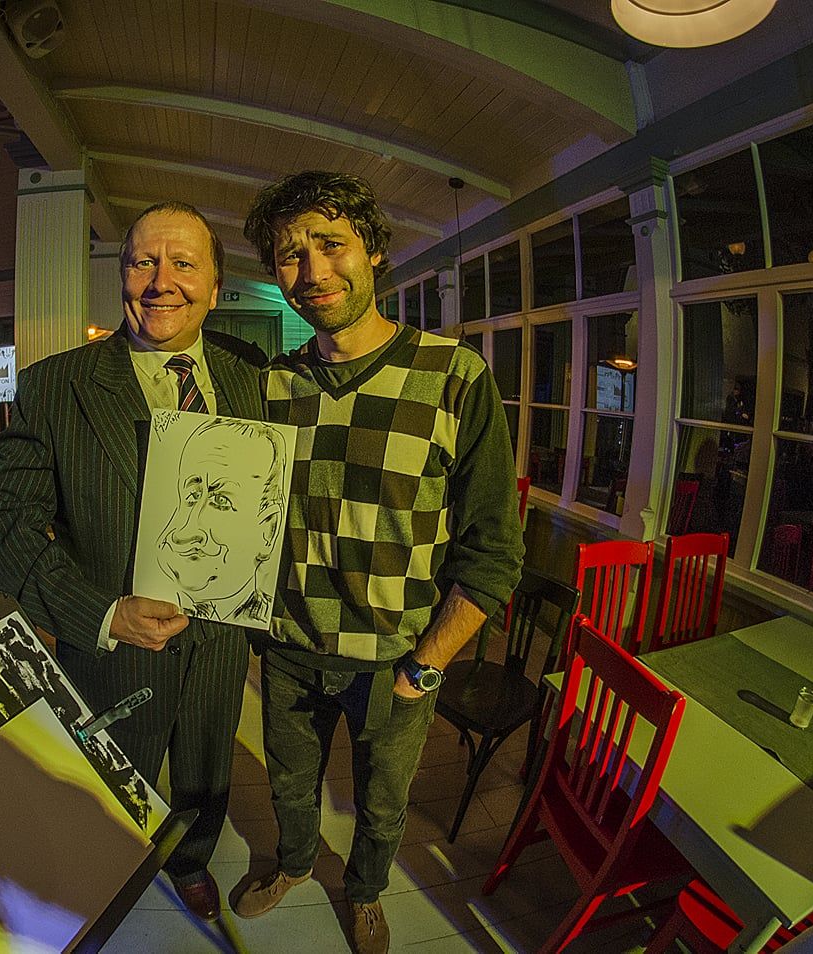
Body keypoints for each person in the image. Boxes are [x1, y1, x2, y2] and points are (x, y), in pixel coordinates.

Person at [233, 172, 523, 954]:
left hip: (396, 657)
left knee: (384, 803)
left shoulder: (455, 376)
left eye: (331, 244)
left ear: (374, 252)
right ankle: (295, 864)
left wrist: (426, 666)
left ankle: (363, 893)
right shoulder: (272, 386)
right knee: (290, 784)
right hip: (290, 651)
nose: (311, 271)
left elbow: (495, 549)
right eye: (290, 254)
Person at [0, 202, 266, 923]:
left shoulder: (253, 376)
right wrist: (100, 613)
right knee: (106, 783)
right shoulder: (53, 385)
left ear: (215, 286)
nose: (161, 282)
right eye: (143, 263)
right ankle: (105, 876)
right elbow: (0, 520)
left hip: (221, 641)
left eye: (183, 264)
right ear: (122, 276)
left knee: (205, 768)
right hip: (112, 648)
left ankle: (190, 861)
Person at [156, 417, 287, 625]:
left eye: (221, 501)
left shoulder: (273, 620)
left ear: (268, 530)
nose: (188, 529)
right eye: (192, 496)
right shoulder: (157, 590)